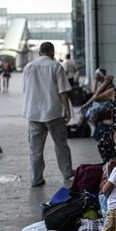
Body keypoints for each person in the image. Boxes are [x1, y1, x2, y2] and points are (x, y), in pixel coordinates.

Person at [21, 41, 74, 187]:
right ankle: (67, 173)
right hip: (54, 112)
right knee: (61, 144)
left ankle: (35, 179)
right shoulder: (56, 66)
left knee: (35, 149)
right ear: (52, 52)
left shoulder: (29, 67)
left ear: (39, 53)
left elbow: (25, 89)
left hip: (33, 113)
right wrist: (67, 111)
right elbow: (62, 91)